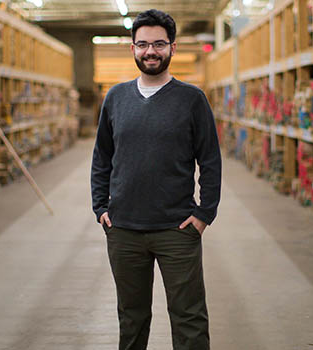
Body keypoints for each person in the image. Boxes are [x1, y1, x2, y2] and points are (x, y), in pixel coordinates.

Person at [89, 8, 221, 350]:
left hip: (177, 229)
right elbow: (102, 156)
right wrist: (100, 207)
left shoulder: (192, 99)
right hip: (124, 230)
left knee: (189, 316)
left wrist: (205, 214)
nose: (151, 51)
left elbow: (209, 159)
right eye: (143, 44)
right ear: (132, 48)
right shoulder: (115, 98)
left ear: (172, 48)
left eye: (159, 44)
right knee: (131, 318)